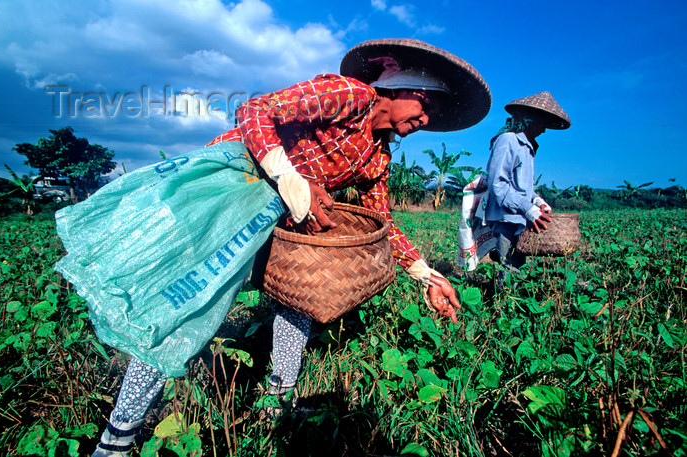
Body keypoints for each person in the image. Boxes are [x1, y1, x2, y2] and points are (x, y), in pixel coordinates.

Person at [57, 38, 490, 456]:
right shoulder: (349, 94)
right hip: (235, 190)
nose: (427, 120)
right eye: (425, 106)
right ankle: (116, 438)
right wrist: (291, 178)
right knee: (184, 305)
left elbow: (384, 222)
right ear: (399, 89)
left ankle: (277, 402)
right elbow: (256, 110)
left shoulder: (377, 155)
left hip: (278, 217)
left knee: (297, 299)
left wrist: (426, 276)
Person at [484, 91, 571, 286]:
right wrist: (527, 208)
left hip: (519, 215)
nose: (544, 130)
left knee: (518, 263)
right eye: (541, 124)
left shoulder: (527, 147)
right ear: (529, 121)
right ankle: (501, 307)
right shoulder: (508, 141)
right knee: (508, 265)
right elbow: (498, 184)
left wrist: (536, 201)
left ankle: (508, 300)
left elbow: (522, 187)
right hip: (506, 216)